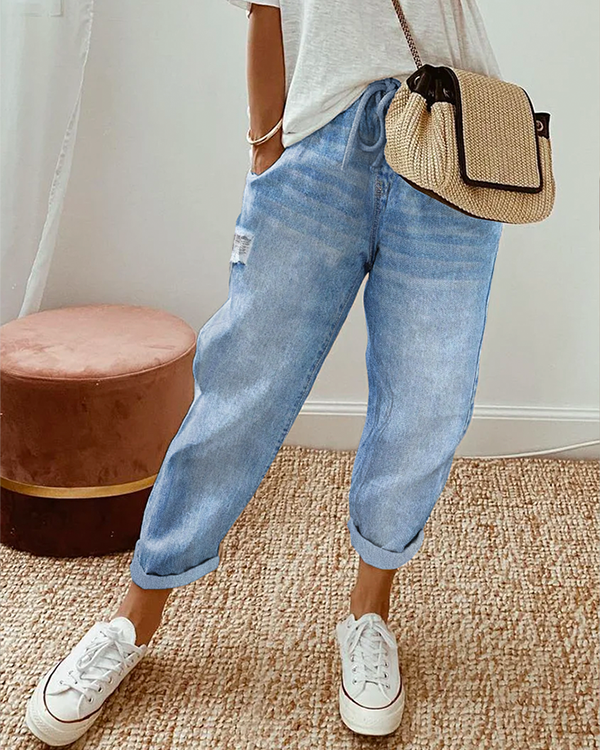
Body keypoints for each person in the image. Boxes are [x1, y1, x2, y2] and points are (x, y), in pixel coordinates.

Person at [25, 0, 505, 744]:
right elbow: (266, 7)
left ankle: (369, 614)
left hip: (451, 135)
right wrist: (265, 145)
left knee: (430, 399)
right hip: (318, 145)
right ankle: (132, 619)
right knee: (241, 388)